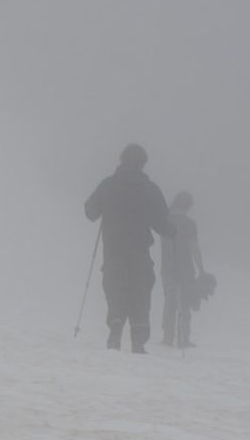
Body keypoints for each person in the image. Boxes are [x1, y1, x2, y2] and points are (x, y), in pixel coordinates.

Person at [84, 143, 176, 353]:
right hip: (139, 251)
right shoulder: (150, 189)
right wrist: (173, 231)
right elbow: (162, 224)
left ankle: (115, 325)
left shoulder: (108, 185)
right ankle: (138, 338)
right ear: (143, 163)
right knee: (140, 290)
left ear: (121, 159)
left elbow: (90, 212)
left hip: (114, 250)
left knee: (115, 287)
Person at [160, 191, 205, 349]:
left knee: (170, 302)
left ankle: (167, 337)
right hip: (186, 269)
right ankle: (183, 339)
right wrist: (201, 270)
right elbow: (195, 248)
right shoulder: (190, 224)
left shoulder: (165, 220)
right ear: (188, 206)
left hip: (167, 267)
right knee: (184, 304)